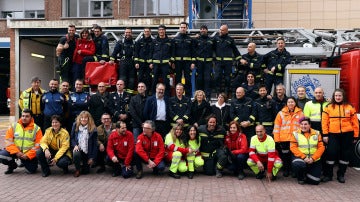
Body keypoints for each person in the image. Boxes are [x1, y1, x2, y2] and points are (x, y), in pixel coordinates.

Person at [322, 88, 359, 183]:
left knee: (345, 154)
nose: (338, 97)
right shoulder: (328, 107)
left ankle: (341, 174)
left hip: (347, 134)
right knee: (331, 153)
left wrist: (355, 135)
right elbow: (324, 122)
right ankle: (328, 175)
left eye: (340, 96)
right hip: (333, 134)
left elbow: (355, 123)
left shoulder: (350, 107)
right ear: (333, 97)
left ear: (343, 96)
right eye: (336, 96)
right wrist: (325, 134)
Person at [0, 109, 42, 174]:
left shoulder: (37, 129)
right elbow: (8, 142)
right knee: (2, 156)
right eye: (23, 116)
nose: (24, 118)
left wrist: (28, 155)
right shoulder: (14, 126)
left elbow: (38, 146)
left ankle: (26, 162)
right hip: (14, 152)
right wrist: (17, 152)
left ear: (31, 117)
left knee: (32, 170)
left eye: (27, 116)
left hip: (27, 154)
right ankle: (12, 165)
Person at [273, 96, 304, 177]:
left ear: (295, 103)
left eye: (292, 102)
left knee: (294, 155)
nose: (290, 103)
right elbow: (277, 127)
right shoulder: (281, 113)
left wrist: (302, 138)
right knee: (285, 156)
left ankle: (294, 171)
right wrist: (277, 139)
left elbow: (303, 127)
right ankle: (286, 170)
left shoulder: (300, 113)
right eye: (289, 102)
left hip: (295, 139)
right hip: (284, 139)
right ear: (286, 104)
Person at [290, 117, 325, 185]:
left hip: (314, 159)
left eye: (305, 124)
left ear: (310, 125)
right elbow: (293, 148)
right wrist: (304, 157)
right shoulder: (295, 134)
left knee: (315, 181)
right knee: (298, 164)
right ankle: (301, 177)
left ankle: (307, 173)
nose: (303, 126)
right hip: (301, 158)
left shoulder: (317, 133)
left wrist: (313, 158)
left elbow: (321, 148)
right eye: (302, 124)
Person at [214, 24, 241, 95]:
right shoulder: (216, 38)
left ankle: (226, 93)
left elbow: (235, 50)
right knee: (217, 77)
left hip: (228, 62)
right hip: (218, 62)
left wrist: (239, 59)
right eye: (220, 30)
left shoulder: (230, 40)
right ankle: (218, 92)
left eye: (222, 30)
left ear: (226, 31)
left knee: (228, 78)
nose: (220, 31)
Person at [70, 111, 98, 177]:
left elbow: (95, 144)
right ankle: (77, 169)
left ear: (89, 119)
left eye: (85, 118)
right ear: (79, 118)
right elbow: (72, 138)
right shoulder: (75, 125)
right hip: (78, 148)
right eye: (82, 118)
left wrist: (92, 158)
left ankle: (83, 166)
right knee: (76, 153)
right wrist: (75, 145)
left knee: (86, 172)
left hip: (87, 151)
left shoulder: (93, 128)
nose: (83, 119)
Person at [172, 22, 196, 97]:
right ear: (179, 28)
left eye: (184, 27)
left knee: (188, 80)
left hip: (187, 63)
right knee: (178, 80)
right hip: (178, 63)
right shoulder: (175, 39)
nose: (183, 29)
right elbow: (173, 52)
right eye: (181, 27)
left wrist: (193, 62)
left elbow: (193, 51)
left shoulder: (190, 40)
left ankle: (188, 97)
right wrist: (172, 62)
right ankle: (177, 96)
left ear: (186, 28)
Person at [110, 27, 136, 94]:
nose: (128, 34)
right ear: (124, 33)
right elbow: (115, 52)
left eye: (129, 32)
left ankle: (129, 96)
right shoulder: (120, 42)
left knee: (132, 80)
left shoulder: (135, 43)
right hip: (123, 63)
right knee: (123, 79)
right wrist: (112, 59)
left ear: (131, 33)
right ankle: (122, 95)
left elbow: (137, 54)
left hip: (132, 63)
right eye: (126, 32)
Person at [149, 25, 172, 96]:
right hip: (156, 65)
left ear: (165, 31)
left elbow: (172, 52)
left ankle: (167, 96)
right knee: (154, 80)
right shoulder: (154, 41)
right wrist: (150, 62)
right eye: (160, 30)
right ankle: (154, 95)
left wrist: (171, 61)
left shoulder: (169, 41)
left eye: (163, 30)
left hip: (165, 65)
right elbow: (151, 52)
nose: (161, 31)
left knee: (166, 81)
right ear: (158, 31)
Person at [194, 24, 214, 99]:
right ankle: (198, 96)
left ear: (207, 30)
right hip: (199, 63)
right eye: (201, 29)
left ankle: (207, 97)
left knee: (207, 79)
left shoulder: (211, 40)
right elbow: (193, 49)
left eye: (204, 29)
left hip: (208, 63)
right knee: (199, 80)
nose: (203, 30)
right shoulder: (196, 40)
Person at [134, 27, 153, 94]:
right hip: (141, 64)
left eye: (148, 31)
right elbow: (136, 52)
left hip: (149, 65)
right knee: (140, 78)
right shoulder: (139, 41)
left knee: (148, 79)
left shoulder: (153, 42)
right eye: (145, 31)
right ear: (143, 32)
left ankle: (147, 93)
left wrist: (152, 63)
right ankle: (140, 93)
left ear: (150, 32)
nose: (147, 33)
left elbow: (153, 53)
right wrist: (136, 62)